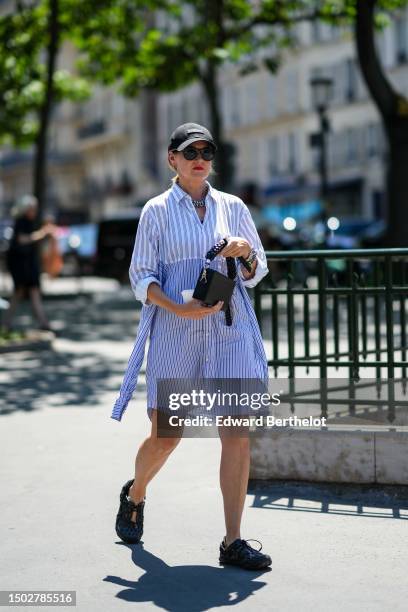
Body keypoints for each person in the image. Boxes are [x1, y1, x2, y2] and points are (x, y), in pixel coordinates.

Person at [112, 123, 272, 571]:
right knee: (167, 435)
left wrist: (243, 251)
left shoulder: (233, 207)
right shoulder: (156, 211)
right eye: (190, 151)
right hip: (175, 334)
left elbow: (256, 272)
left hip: (229, 331)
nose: (200, 157)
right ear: (173, 160)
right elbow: (140, 277)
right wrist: (175, 308)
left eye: (207, 150)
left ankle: (233, 541)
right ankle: (136, 492)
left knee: (236, 435)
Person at [3, 195, 56, 333]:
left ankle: (42, 322)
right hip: (21, 263)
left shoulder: (28, 221)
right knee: (21, 291)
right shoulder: (22, 221)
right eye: (33, 208)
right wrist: (42, 233)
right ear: (27, 209)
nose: (35, 211)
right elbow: (23, 239)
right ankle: (7, 323)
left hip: (27, 263)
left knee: (29, 291)